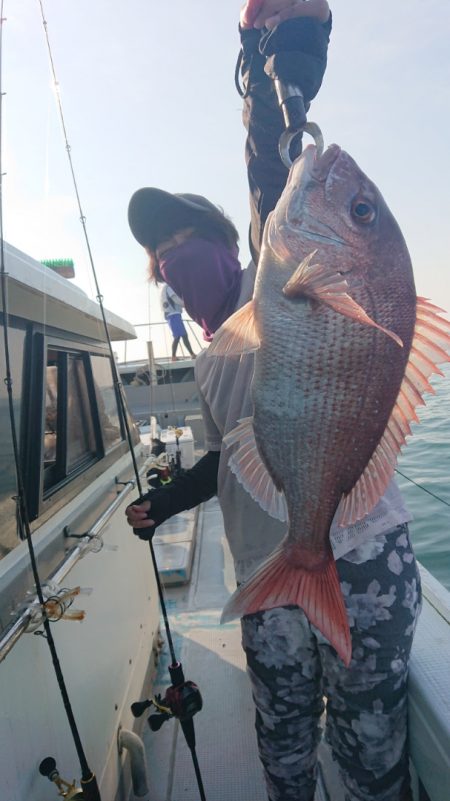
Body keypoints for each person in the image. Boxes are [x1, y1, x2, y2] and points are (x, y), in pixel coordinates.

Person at [126, 3, 420, 800]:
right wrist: (167, 500)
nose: (174, 259)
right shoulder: (209, 357)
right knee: (284, 752)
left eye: (186, 240)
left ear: (237, 242)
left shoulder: (279, 279)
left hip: (363, 553)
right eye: (161, 257)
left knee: (370, 756)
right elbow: (230, 456)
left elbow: (272, 161)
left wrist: (273, 53)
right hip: (271, 570)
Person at [160, 282, 196, 360]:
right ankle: (189, 355)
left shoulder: (166, 287)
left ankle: (178, 356)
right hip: (173, 315)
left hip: (173, 315)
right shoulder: (169, 287)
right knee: (181, 336)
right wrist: (187, 304)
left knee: (180, 336)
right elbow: (176, 299)